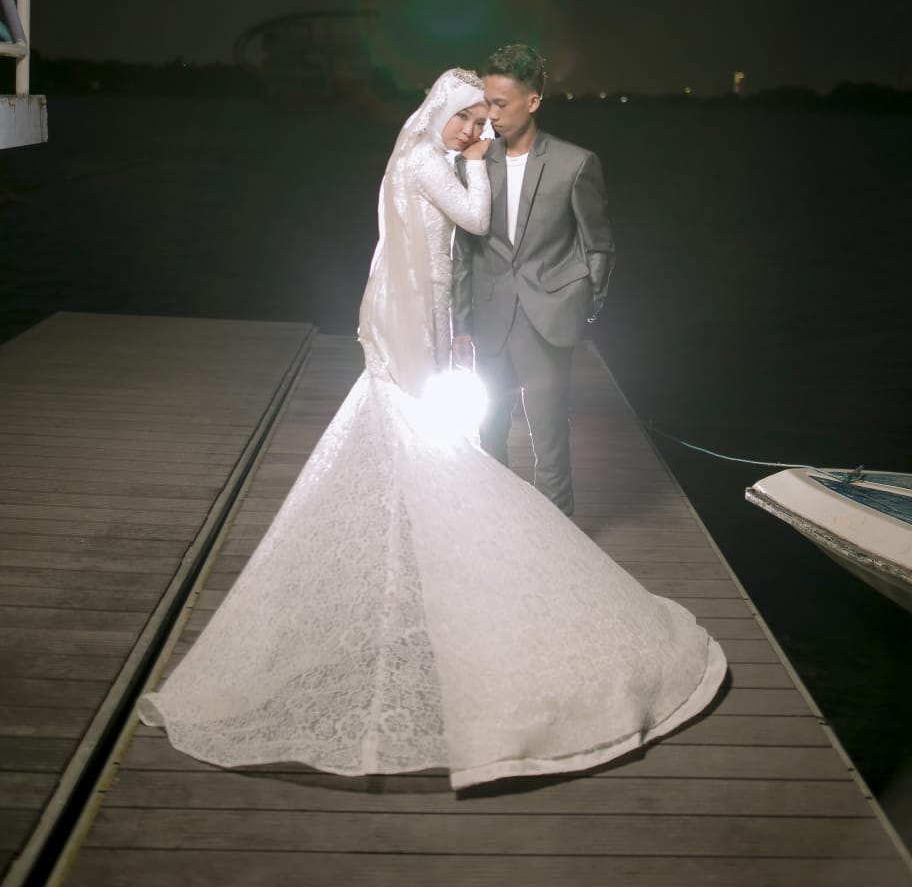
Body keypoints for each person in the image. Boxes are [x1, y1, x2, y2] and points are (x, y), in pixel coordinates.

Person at [138, 66, 726, 790]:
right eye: (465, 119)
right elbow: (471, 224)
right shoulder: (426, 160)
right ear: (441, 112)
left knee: (442, 459)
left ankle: (429, 581)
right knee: (440, 458)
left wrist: (458, 335)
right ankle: (450, 579)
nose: (474, 131)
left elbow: (446, 259)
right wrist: (476, 165)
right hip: (412, 330)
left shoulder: (437, 158)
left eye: (481, 121)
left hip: (437, 326)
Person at [453, 43, 613, 515]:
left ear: (533, 101)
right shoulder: (473, 162)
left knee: (550, 441)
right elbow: (463, 252)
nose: (491, 115)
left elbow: (598, 244)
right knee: (489, 434)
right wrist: (461, 324)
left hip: (548, 318)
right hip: (489, 317)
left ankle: (557, 543)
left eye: (501, 104)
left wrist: (582, 304)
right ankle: (497, 528)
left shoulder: (575, 164)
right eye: (488, 102)